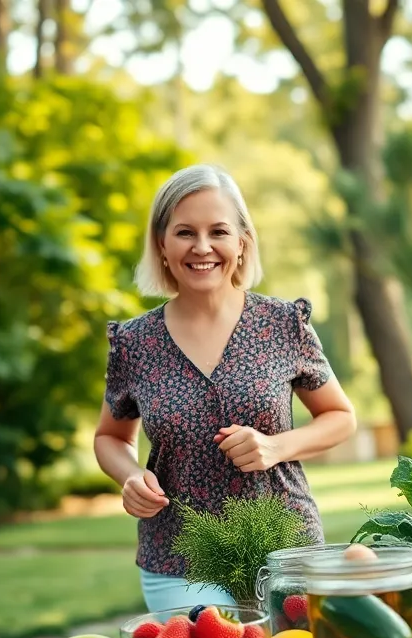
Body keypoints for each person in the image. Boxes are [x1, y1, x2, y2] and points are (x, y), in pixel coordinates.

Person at [94, 164, 357, 613]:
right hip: (177, 556)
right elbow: (110, 437)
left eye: (217, 231)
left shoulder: (281, 324)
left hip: (285, 546)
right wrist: (131, 476)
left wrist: (275, 446)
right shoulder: (134, 343)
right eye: (184, 232)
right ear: (161, 243)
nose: (202, 247)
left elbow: (341, 418)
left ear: (241, 243)